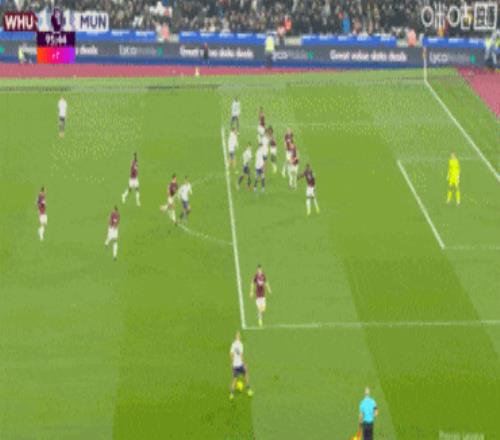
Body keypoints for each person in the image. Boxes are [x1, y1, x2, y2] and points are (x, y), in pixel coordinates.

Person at [229, 331, 253, 400]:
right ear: (239, 337)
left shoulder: (233, 344)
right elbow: (241, 355)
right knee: (246, 376)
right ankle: (249, 390)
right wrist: (244, 364)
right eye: (239, 335)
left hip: (235, 365)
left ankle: (231, 394)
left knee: (234, 379)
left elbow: (231, 354)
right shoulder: (241, 344)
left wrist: (232, 362)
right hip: (240, 364)